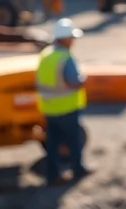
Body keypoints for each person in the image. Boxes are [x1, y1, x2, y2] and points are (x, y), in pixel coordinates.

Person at [36, 18, 89, 186]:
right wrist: (83, 81)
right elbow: (73, 81)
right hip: (66, 107)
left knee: (52, 144)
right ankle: (77, 170)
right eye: (71, 38)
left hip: (48, 108)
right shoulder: (65, 57)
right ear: (64, 38)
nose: (73, 41)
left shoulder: (45, 55)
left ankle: (53, 176)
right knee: (74, 141)